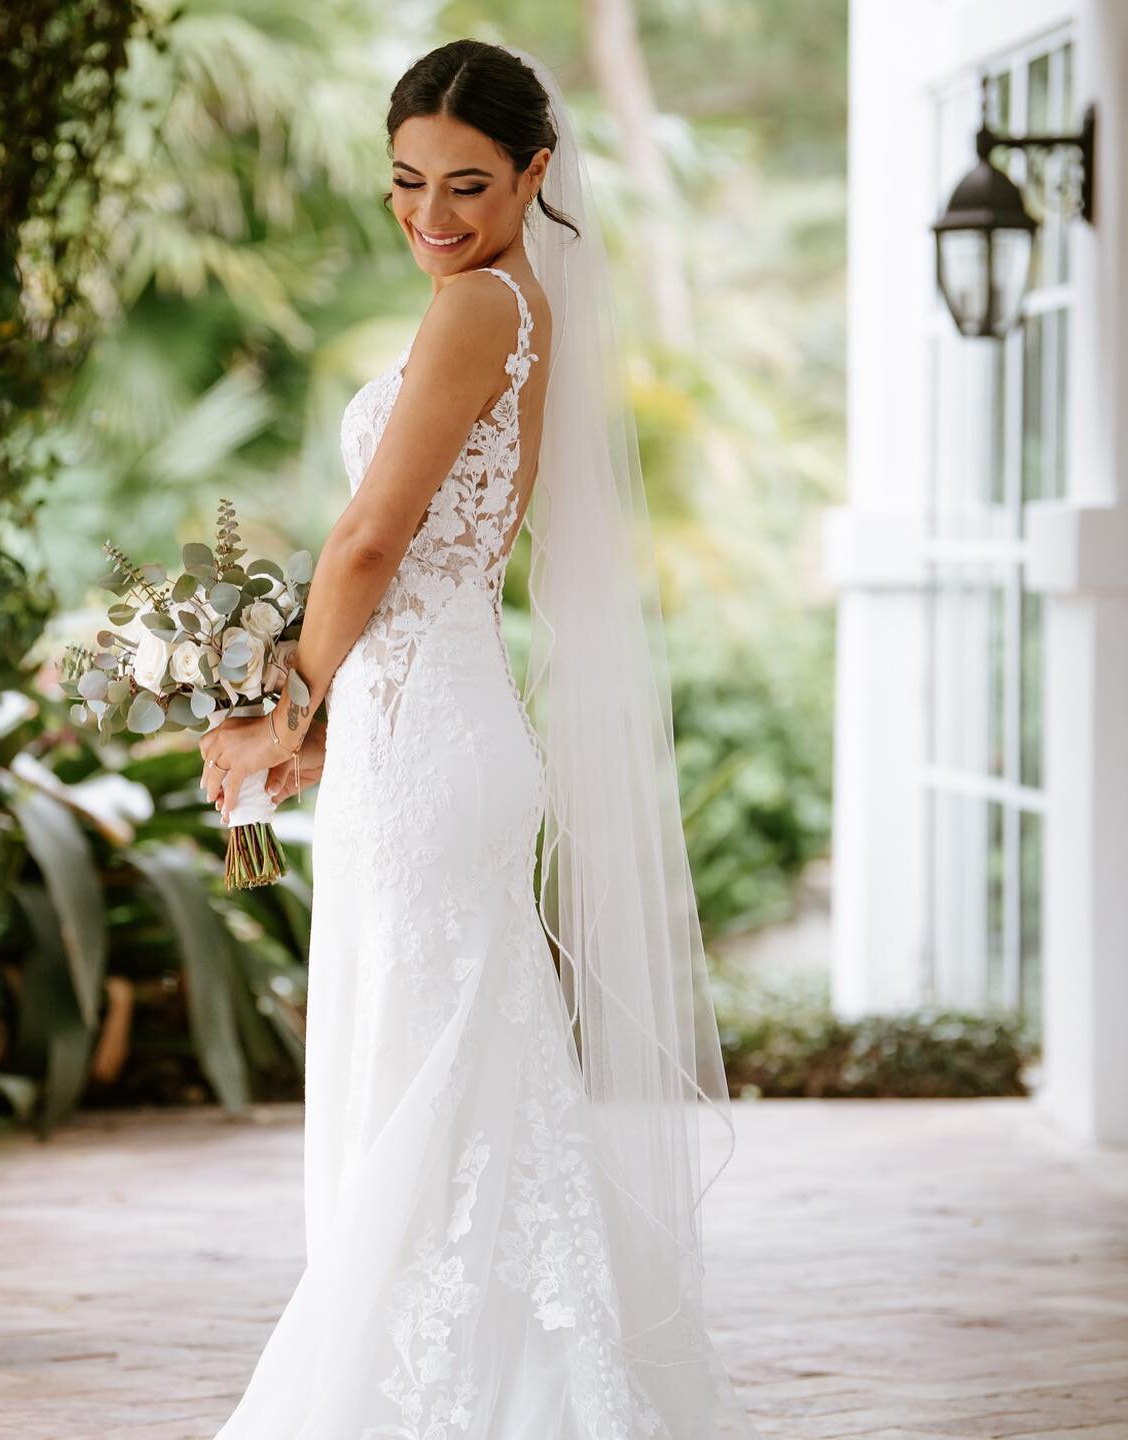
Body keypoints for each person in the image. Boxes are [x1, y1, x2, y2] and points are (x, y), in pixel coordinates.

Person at [198, 38, 762, 1439]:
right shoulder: (515, 306)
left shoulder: (473, 314)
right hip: (434, 729)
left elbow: (372, 539)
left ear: (535, 175)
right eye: (405, 184)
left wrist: (286, 703)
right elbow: (458, 562)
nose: (429, 217)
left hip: (427, 750)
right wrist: (338, 718)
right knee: (459, 1077)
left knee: (426, 1076)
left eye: (466, 184)